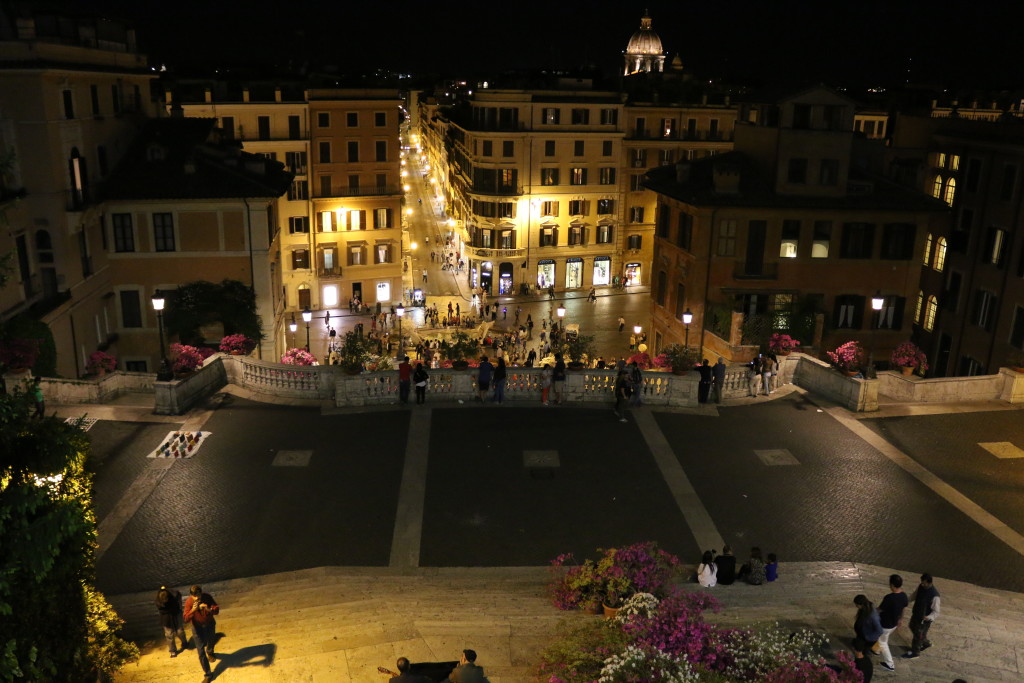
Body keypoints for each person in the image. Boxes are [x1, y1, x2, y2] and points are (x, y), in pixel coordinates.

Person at [183, 584, 219, 682]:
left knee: (211, 640)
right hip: (197, 628)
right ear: (191, 595)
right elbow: (185, 618)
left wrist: (209, 609)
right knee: (200, 651)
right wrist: (193, 610)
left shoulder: (207, 597)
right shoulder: (189, 602)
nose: (197, 598)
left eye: (199, 595)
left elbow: (216, 610)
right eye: (195, 596)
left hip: (209, 624)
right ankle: (208, 674)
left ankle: (210, 651)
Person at [903, 573, 940, 659]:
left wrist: (928, 617)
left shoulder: (935, 596)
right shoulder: (921, 587)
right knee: (912, 626)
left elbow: (936, 611)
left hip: (924, 620)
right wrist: (906, 601)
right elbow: (915, 595)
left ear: (929, 583)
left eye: (924, 583)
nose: (922, 584)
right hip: (916, 613)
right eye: (922, 582)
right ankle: (926, 643)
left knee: (917, 635)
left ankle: (915, 652)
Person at [876, 574, 908, 672]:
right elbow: (903, 608)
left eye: (890, 584)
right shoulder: (904, 595)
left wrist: (871, 612)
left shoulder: (889, 598)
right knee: (882, 637)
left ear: (893, 585)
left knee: (883, 642)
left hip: (886, 624)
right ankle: (875, 649)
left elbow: (880, 609)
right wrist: (901, 619)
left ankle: (890, 664)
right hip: (894, 623)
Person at [155, 586, 188, 657]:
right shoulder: (158, 602)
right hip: (166, 618)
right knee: (169, 635)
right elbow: (161, 610)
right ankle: (173, 651)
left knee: (180, 631)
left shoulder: (174, 595)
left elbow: (178, 599)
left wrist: (178, 608)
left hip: (176, 614)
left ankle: (184, 642)